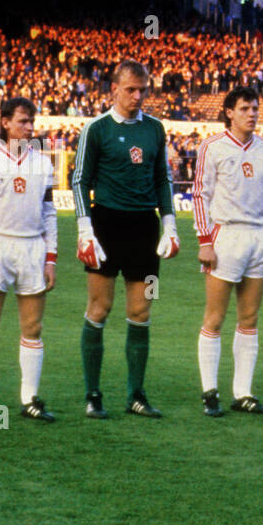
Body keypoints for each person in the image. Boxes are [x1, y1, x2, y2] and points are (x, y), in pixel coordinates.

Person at [72, 59, 179, 419]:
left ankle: (136, 394)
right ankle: (92, 394)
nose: (137, 96)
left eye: (142, 90)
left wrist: (170, 225)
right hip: (106, 226)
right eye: (130, 89)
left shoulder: (155, 129)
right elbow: (79, 181)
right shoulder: (96, 129)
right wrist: (85, 229)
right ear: (114, 89)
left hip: (144, 229)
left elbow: (163, 178)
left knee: (141, 310)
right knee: (100, 308)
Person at [0, 97, 57, 423]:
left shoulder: (44, 163)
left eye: (32, 122)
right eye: (22, 121)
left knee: (33, 327)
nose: (29, 127)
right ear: (4, 122)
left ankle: (29, 398)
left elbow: (49, 212)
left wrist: (51, 258)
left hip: (32, 248)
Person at [192, 86, 263, 418]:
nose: (252, 113)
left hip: (256, 236)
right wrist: (204, 239)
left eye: (255, 108)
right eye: (245, 108)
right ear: (229, 112)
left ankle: (243, 392)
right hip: (225, 235)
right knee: (214, 318)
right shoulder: (212, 146)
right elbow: (200, 194)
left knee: (250, 318)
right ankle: (209, 391)